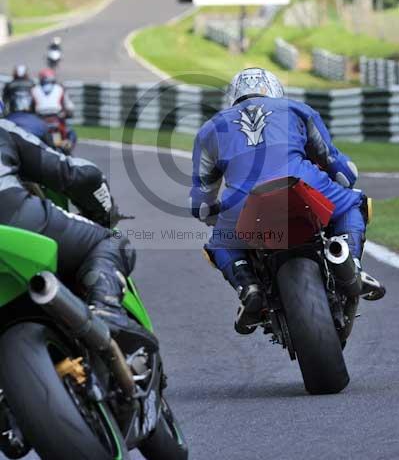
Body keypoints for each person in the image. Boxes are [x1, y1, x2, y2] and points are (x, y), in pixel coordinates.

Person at [190, 67, 384, 333]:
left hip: (243, 201)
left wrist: (213, 216)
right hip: (302, 185)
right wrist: (345, 179)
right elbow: (338, 167)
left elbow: (201, 203)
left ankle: (249, 286)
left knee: (218, 243)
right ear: (275, 91)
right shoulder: (297, 109)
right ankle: (351, 264)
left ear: (233, 98)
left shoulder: (209, 130)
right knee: (354, 202)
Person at [0, 95, 156, 350]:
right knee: (111, 239)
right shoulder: (6, 130)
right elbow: (78, 175)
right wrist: (105, 216)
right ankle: (106, 309)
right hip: (12, 214)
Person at [32, 68, 77, 150]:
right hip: (56, 119)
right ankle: (67, 146)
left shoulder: (34, 89)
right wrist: (69, 113)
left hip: (41, 120)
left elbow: (31, 107)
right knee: (71, 132)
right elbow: (70, 106)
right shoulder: (60, 88)